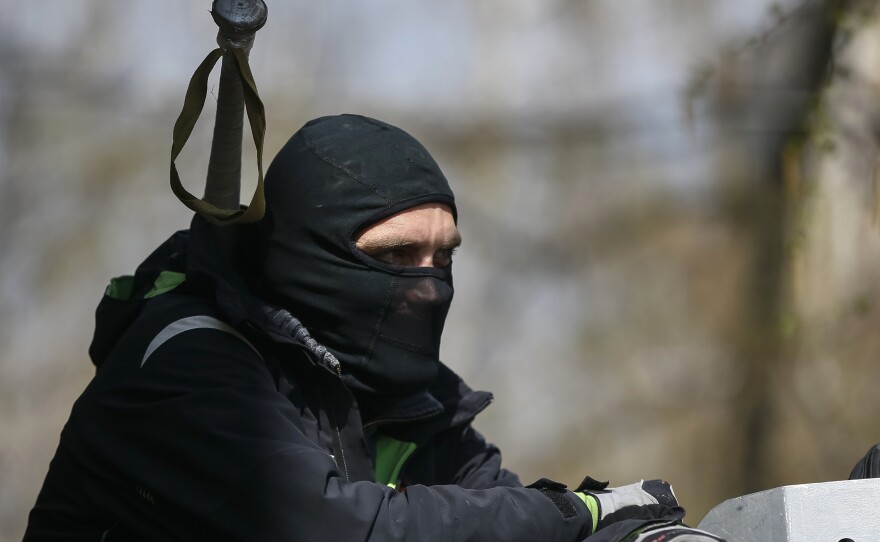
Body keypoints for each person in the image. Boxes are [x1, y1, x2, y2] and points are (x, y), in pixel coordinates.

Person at [25, 114, 723, 541]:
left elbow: (498, 517)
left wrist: (644, 537)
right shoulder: (189, 363)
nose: (426, 284)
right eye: (394, 255)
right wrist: (583, 514)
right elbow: (342, 532)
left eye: (443, 256)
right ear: (304, 249)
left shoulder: (405, 395)